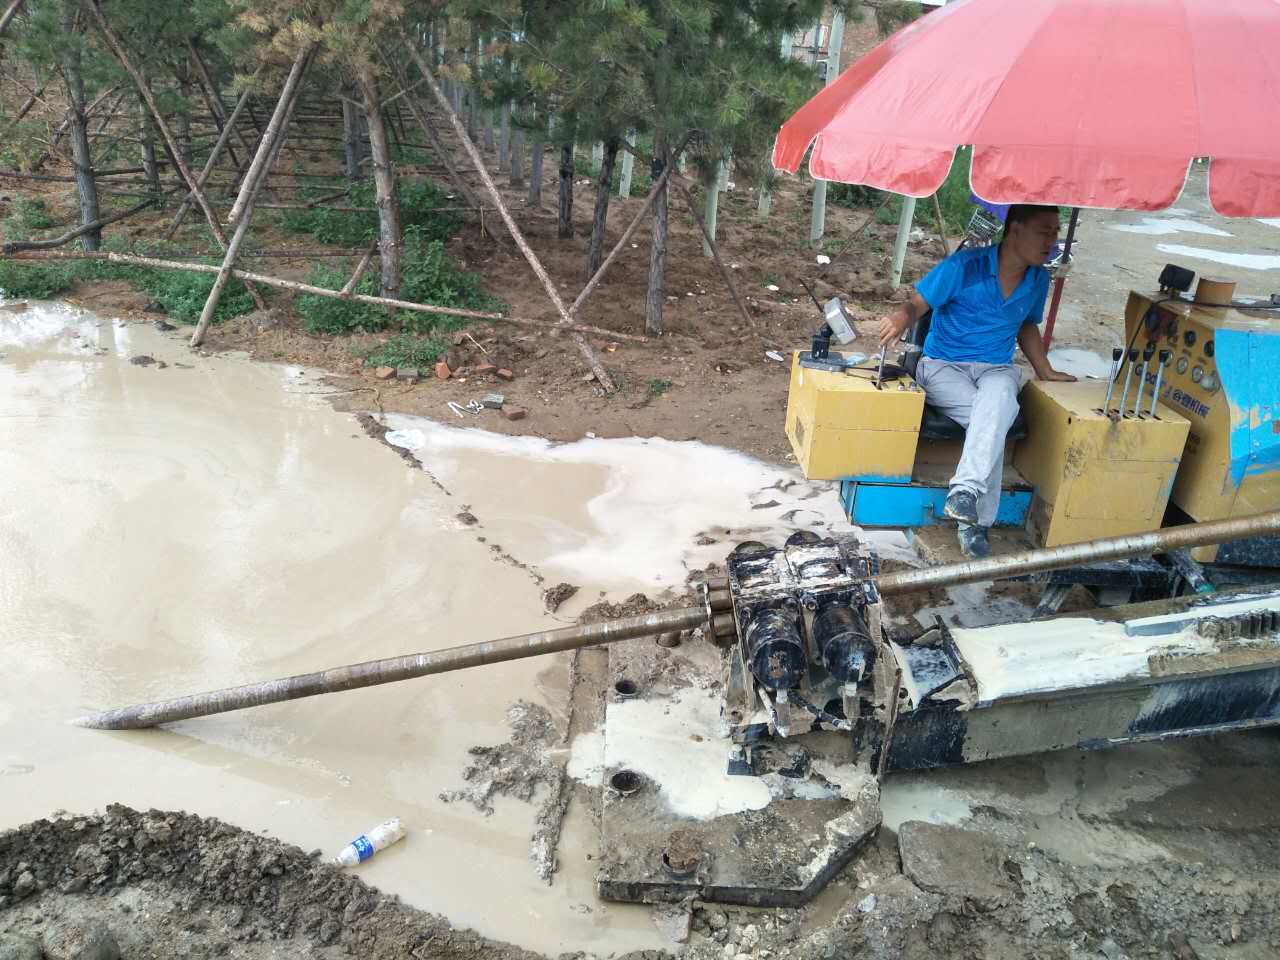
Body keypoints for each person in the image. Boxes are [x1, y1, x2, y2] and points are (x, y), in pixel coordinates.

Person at [877, 204, 1076, 559]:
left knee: (998, 399)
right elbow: (918, 304)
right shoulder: (964, 266)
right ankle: (975, 524)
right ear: (1015, 230)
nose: (1052, 241)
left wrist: (1043, 369)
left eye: (1055, 232)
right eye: (1044, 231)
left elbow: (1027, 325)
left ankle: (964, 495)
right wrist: (900, 318)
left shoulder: (1038, 279)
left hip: (995, 370)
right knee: (993, 422)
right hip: (942, 366)